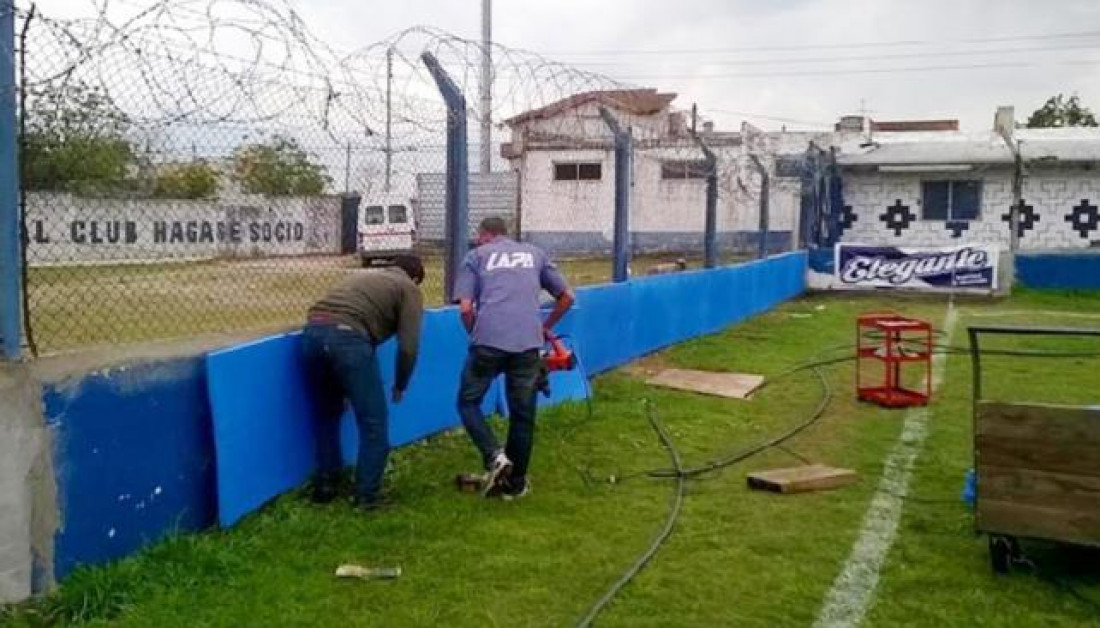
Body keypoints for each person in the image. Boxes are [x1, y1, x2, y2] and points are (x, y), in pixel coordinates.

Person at [454, 217, 575, 499]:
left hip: (487, 342)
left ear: (484, 236)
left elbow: (465, 308)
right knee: (522, 415)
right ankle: (515, 484)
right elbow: (567, 297)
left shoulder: (476, 256)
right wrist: (545, 328)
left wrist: (477, 332)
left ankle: (495, 457)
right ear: (506, 235)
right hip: (527, 344)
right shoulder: (534, 253)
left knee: (468, 402)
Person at [301, 255, 425, 508]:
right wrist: (401, 383)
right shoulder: (408, 288)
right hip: (348, 339)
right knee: (373, 422)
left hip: (312, 333)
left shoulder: (363, 277)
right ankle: (366, 496)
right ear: (415, 277)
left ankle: (326, 485)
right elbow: (408, 347)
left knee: (327, 414)